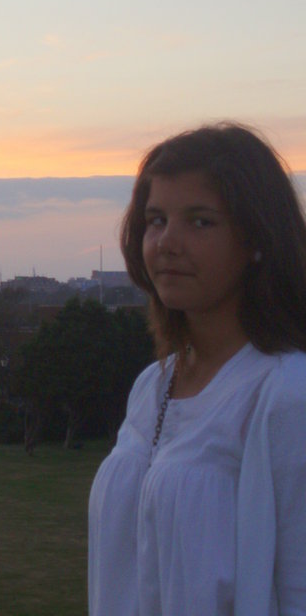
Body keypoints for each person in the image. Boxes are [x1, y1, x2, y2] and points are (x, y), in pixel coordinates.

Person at [88, 122, 306, 616]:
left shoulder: (286, 393)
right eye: (156, 220)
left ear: (257, 239)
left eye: (200, 222)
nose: (168, 242)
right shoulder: (152, 386)